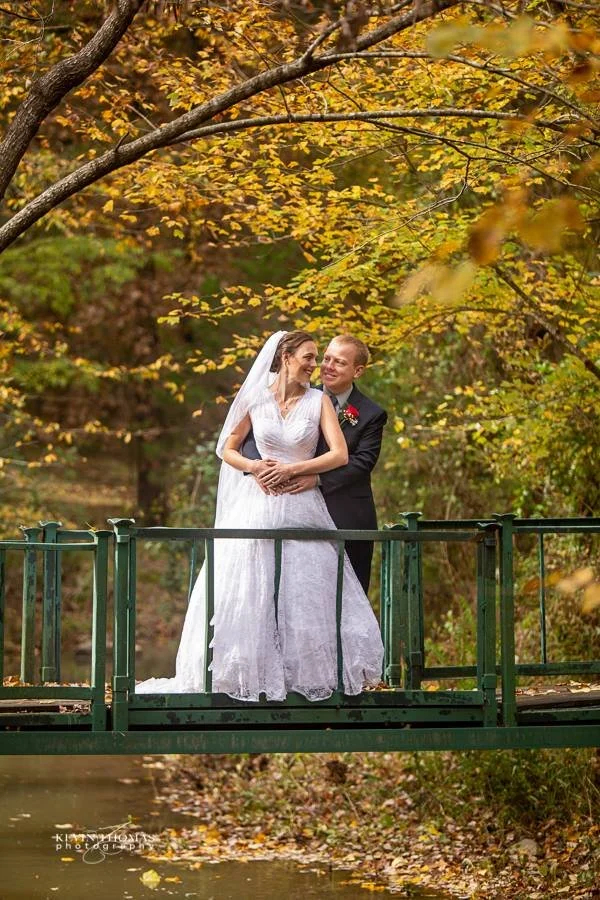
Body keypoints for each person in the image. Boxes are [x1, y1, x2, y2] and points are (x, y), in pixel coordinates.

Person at [135, 331, 384, 702]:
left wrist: (296, 471)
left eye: (325, 359)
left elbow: (342, 456)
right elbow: (227, 447)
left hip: (303, 504)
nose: (317, 365)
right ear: (285, 358)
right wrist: (254, 468)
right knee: (253, 582)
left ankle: (307, 672)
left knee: (307, 587)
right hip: (260, 501)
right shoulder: (256, 398)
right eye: (311, 357)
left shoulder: (321, 402)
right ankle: (246, 669)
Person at [242, 335, 387, 593]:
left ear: (358, 371)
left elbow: (362, 462)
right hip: (288, 510)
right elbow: (254, 438)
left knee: (345, 597)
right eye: (327, 358)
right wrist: (258, 469)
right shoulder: (301, 393)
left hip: (345, 513)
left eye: (339, 362)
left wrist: (317, 479)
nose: (328, 366)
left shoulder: (371, 414)